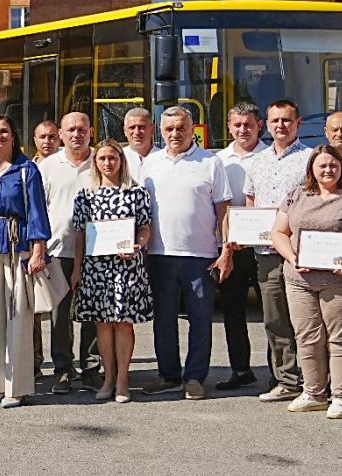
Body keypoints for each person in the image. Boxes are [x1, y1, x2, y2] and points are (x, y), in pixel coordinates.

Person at [269, 145, 342, 419]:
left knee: (341, 339)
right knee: (307, 337)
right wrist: (293, 258)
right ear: (312, 170)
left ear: (341, 169)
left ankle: (341, 396)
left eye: (333, 165)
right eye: (322, 166)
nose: (328, 170)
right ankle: (313, 393)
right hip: (300, 280)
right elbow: (279, 232)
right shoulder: (297, 196)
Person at [141, 107, 233, 400]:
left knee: (200, 319)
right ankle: (168, 374)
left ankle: (195, 378)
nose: (175, 134)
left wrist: (226, 250)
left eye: (181, 128)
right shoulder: (150, 163)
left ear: (192, 128)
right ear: (160, 130)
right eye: (168, 129)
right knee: (164, 319)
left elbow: (224, 211)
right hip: (159, 254)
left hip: (200, 255)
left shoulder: (210, 162)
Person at [0, 114, 51, 409]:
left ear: (13, 136)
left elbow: (38, 211)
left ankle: (16, 387)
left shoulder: (27, 170)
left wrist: (38, 249)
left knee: (18, 317)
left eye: (4, 131)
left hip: (20, 247)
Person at [236, 100, 312, 404]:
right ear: (266, 125)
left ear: (298, 123)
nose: (281, 126)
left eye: (287, 120)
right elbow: (251, 202)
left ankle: (314, 380)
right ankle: (287, 380)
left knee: (306, 319)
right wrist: (247, 231)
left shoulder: (310, 159)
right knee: (275, 319)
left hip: (300, 252)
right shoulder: (258, 162)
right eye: (275, 121)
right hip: (266, 252)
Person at [67, 138, 153, 403]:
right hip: (96, 268)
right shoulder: (85, 195)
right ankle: (108, 378)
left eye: (112, 158)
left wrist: (137, 246)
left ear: (121, 161)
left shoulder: (137, 193)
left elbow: (145, 228)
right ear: (95, 162)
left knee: (123, 323)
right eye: (102, 158)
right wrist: (77, 269)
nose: (107, 163)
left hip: (126, 266)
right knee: (103, 324)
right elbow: (80, 234)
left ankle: (123, 380)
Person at [35, 111, 95, 394]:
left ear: (91, 132)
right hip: (57, 250)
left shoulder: (102, 161)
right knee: (60, 316)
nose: (76, 134)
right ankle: (62, 369)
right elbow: (39, 210)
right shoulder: (47, 166)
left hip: (97, 251)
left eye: (82, 129)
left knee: (93, 312)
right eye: (70, 130)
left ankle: (92, 367)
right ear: (60, 134)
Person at [213, 103, 263, 391]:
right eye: (237, 125)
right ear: (229, 127)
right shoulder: (219, 161)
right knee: (233, 312)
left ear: (259, 125)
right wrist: (224, 248)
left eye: (249, 124)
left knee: (275, 312)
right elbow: (219, 207)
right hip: (232, 246)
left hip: (265, 247)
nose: (243, 130)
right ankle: (241, 369)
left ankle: (281, 372)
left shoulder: (270, 157)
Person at [122, 108, 155, 177]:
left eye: (142, 127)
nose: (137, 132)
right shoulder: (118, 158)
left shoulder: (164, 158)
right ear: (125, 131)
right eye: (132, 127)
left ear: (152, 129)